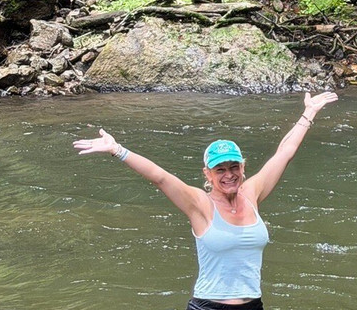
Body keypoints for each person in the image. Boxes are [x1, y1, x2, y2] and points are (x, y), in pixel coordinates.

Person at [73, 91, 339, 310]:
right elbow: (161, 178)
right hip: (209, 306)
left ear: (243, 168)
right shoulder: (199, 204)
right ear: (207, 174)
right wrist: (117, 150)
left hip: (253, 305)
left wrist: (309, 113)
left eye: (234, 167)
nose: (229, 175)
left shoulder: (252, 193)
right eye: (220, 169)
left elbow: (284, 153)